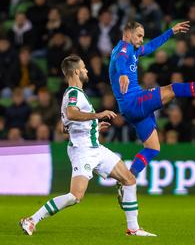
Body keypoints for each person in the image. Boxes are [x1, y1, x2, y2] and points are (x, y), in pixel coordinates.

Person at [19, 55, 156, 237]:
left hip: (95, 147)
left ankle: (133, 228)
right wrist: (98, 116)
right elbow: (72, 113)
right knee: (75, 196)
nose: (86, 70)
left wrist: (93, 127)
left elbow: (64, 127)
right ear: (76, 71)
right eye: (83, 68)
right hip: (83, 151)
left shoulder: (75, 94)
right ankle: (32, 220)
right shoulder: (73, 93)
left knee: (129, 179)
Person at [109, 21, 195, 178]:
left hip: (131, 109)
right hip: (134, 101)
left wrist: (170, 32)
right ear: (128, 34)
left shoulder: (133, 50)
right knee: (173, 89)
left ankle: (127, 179)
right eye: (139, 35)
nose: (142, 39)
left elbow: (150, 47)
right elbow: (121, 59)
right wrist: (122, 73)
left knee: (152, 148)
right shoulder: (124, 48)